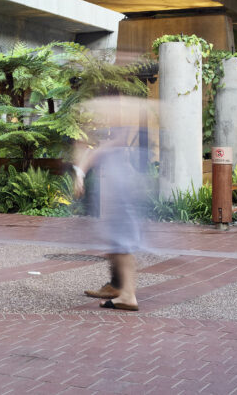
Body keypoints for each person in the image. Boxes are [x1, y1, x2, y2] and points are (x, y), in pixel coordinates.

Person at [73, 95, 151, 313]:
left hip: (118, 177)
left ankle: (127, 294)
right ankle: (122, 290)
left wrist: (83, 167)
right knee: (118, 237)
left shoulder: (120, 109)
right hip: (118, 176)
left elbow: (115, 141)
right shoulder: (123, 107)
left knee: (121, 238)